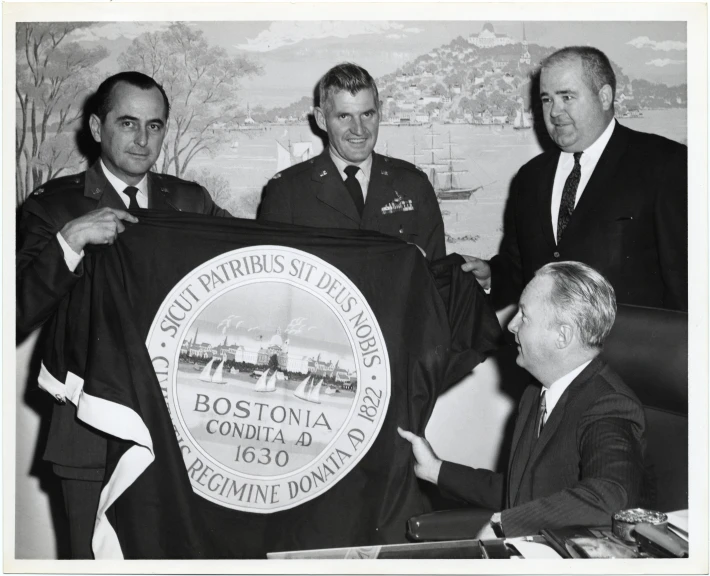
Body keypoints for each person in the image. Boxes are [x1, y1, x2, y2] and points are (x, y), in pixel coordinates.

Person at [16, 71, 231, 558]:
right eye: (128, 122)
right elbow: (16, 312)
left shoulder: (190, 201)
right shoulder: (54, 207)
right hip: (89, 434)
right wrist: (68, 242)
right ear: (96, 128)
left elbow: (247, 264)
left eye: (154, 126)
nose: (142, 139)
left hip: (183, 431)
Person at [399, 261, 647, 538]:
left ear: (562, 335)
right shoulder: (537, 392)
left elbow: (610, 500)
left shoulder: (609, 404)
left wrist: (505, 524)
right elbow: (522, 492)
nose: (511, 325)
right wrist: (435, 469)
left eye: (524, 316)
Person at [462, 46, 687, 311]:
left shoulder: (666, 164)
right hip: (543, 349)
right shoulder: (529, 177)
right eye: (547, 100)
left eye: (566, 97)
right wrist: (491, 276)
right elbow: (520, 267)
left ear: (604, 97)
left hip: (630, 349)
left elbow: (685, 284)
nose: (554, 112)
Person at [258, 62, 446, 262]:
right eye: (344, 116)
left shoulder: (413, 183)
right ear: (322, 119)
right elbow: (273, 285)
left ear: (379, 113)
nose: (359, 129)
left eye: (367, 114)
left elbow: (437, 276)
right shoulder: (287, 191)